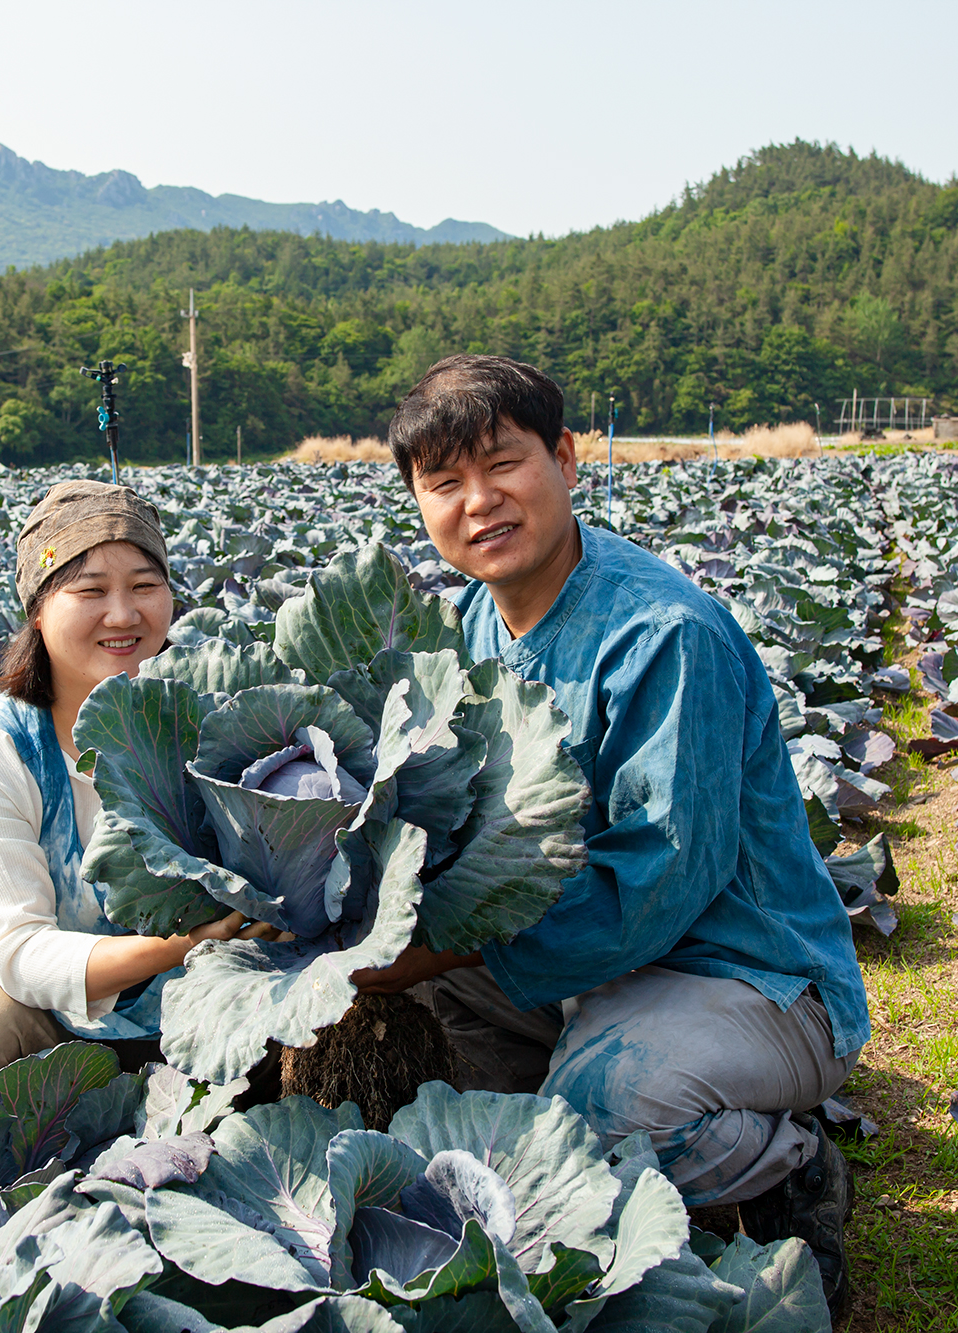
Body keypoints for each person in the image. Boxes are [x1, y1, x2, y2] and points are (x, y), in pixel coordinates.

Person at [352, 355, 871, 1316]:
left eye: (503, 464)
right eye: (444, 483)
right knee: (469, 1042)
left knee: (603, 1112)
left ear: (566, 459)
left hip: (751, 975)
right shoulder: (473, 622)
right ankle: (548, 1136)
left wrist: (438, 948)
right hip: (594, 974)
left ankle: (788, 1164)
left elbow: (658, 886)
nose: (480, 501)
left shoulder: (664, 634)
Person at [0, 480, 274, 1080]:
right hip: (50, 1011)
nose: (123, 615)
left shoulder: (214, 713)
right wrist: (185, 945)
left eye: (144, 586)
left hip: (210, 993)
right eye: (90, 591)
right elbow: (23, 954)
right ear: (37, 609)